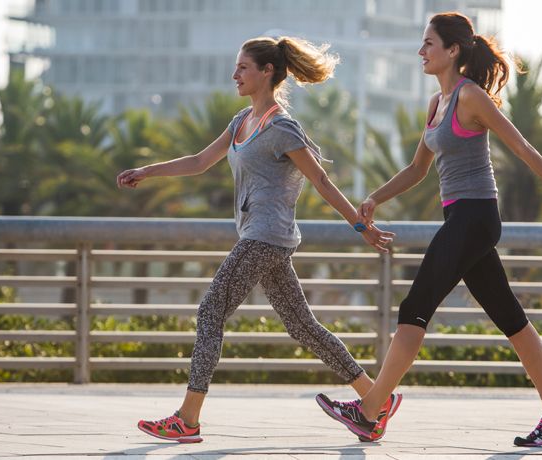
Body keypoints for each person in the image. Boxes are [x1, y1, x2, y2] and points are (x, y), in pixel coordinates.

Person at [315, 12, 542, 447]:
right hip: (461, 219)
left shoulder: (470, 97)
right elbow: (416, 169)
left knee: (416, 305)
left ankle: (371, 409)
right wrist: (375, 198)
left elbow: (520, 146)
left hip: (476, 217)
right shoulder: (436, 104)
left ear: (453, 50)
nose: (421, 52)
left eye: (429, 43)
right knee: (512, 319)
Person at [117, 35, 402, 444]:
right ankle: (376, 399)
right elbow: (200, 162)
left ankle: (188, 418)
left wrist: (360, 224)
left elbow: (320, 179)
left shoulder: (282, 127)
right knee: (302, 325)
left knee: (210, 310)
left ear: (267, 72)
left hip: (266, 237)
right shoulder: (241, 122)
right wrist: (147, 170)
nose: (235, 74)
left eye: (243, 68)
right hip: (264, 236)